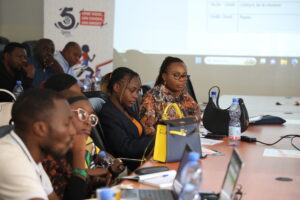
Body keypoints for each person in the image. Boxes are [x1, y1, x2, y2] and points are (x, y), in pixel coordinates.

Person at [43, 90, 124, 200]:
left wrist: (112, 165)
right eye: (82, 114)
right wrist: (79, 153)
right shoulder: (50, 158)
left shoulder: (87, 142)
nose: (88, 123)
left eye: (92, 118)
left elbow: (101, 154)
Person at [0, 88, 76, 200]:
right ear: (40, 129)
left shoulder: (30, 156)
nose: (73, 131)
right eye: (66, 124)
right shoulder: (11, 159)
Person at [99, 67, 154, 170]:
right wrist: (155, 140)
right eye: (132, 91)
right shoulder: (108, 113)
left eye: (138, 91)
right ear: (116, 87)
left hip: (145, 159)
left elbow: (138, 136)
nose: (135, 96)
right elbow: (125, 148)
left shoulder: (126, 109)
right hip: (131, 167)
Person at [139, 56, 201, 136]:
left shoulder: (182, 93)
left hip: (183, 139)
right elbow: (146, 130)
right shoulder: (152, 98)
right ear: (164, 76)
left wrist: (196, 118)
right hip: (163, 143)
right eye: (176, 75)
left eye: (184, 75)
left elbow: (196, 111)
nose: (182, 79)